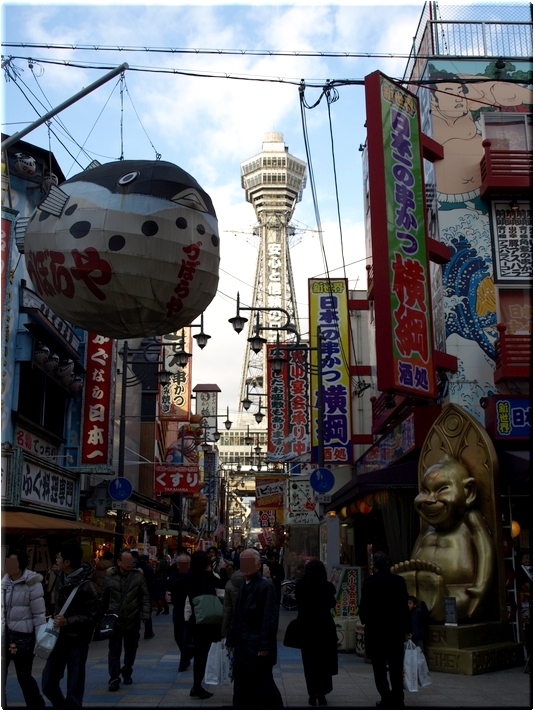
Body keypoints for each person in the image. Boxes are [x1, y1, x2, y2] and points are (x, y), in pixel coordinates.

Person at [41, 543, 98, 708]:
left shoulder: (88, 585)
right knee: (48, 684)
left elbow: (94, 616)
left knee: (74, 687)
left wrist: (69, 621)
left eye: (59, 557)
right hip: (57, 639)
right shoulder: (60, 578)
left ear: (67, 562)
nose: (56, 560)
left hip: (77, 641)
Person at [226, 548, 283, 709]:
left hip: (256, 645)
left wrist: (265, 645)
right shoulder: (244, 584)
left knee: (264, 684)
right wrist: (230, 638)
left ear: (258, 565)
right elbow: (237, 614)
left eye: (250, 563)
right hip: (243, 643)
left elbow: (269, 618)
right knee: (243, 684)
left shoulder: (265, 586)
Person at [359, 551, 410, 709]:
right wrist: (406, 628)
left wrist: (365, 621)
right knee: (396, 666)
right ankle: (398, 698)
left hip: (375, 631)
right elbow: (404, 607)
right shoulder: (399, 581)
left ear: (374, 566)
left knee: (379, 667)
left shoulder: (368, 582)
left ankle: (385, 697)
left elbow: (364, 606)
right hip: (395, 630)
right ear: (388, 564)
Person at [1, 549, 46, 709]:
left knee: (24, 677)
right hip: (5, 636)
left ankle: (36, 706)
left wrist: (40, 640)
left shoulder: (32, 583)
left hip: (22, 638)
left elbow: (39, 614)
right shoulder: (4, 582)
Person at [101, 550, 150, 692]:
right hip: (115, 619)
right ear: (119, 562)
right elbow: (104, 598)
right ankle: (114, 678)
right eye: (127, 561)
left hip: (133, 619)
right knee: (114, 650)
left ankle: (127, 670)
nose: (130, 564)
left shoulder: (138, 577)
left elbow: (145, 597)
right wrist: (102, 616)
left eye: (131, 561)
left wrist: (145, 614)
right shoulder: (110, 577)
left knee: (131, 649)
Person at [295, 559, 338, 706]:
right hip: (324, 627)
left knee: (309, 662)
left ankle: (312, 694)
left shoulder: (301, 585)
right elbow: (332, 603)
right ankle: (322, 693)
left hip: (307, 627)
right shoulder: (327, 586)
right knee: (324, 662)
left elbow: (298, 603)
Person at [185, 549, 227, 699]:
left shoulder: (190, 576)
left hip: (196, 619)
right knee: (202, 654)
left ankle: (196, 685)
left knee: (199, 654)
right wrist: (222, 570)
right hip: (207, 621)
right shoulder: (207, 576)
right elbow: (223, 585)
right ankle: (197, 686)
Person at [167, 553, 193, 671]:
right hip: (177, 608)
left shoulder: (193, 575)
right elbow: (170, 586)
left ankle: (183, 661)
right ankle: (186, 655)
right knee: (178, 636)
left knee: (186, 636)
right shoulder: (173, 575)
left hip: (190, 609)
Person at [221, 564, 245, 638]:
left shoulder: (230, 583)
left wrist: (224, 632)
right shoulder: (260, 584)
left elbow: (227, 611)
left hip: (234, 624)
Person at [138, 555, 157, 639]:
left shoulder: (134, 569)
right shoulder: (149, 569)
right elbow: (153, 583)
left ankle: (136, 632)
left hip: (136, 594)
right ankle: (148, 631)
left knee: (136, 613)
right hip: (147, 593)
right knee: (147, 612)